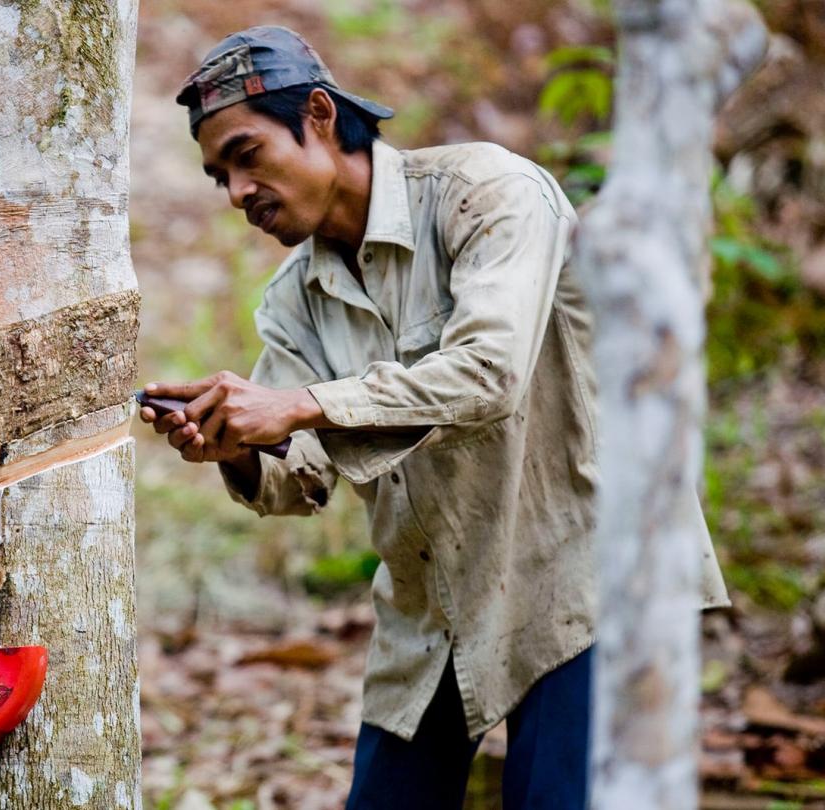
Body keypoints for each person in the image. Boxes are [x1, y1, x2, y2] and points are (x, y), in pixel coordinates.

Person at [139, 25, 731, 810]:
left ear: (319, 114)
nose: (237, 193)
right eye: (220, 177)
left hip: (586, 576)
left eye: (247, 156)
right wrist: (234, 446)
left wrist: (298, 405)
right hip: (431, 613)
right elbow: (301, 476)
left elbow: (489, 374)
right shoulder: (293, 300)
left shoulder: (485, 192)